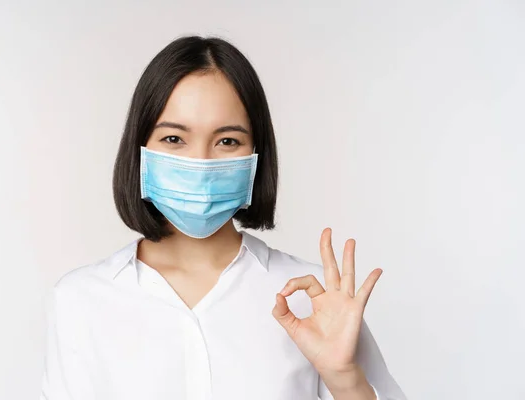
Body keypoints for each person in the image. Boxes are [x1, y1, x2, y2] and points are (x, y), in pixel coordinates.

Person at [40, 36, 406, 400]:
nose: (200, 162)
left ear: (256, 154)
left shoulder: (313, 300)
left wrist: (344, 378)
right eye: (173, 139)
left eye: (227, 141)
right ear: (141, 150)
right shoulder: (80, 300)